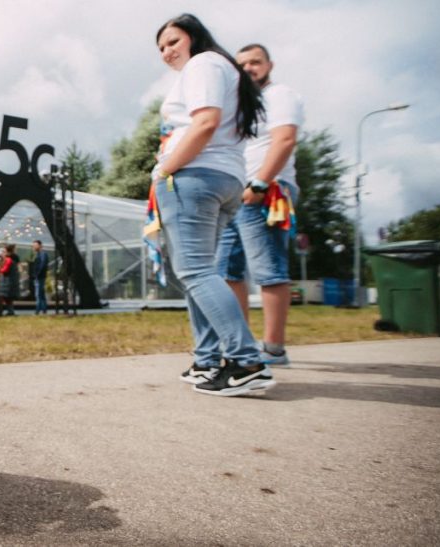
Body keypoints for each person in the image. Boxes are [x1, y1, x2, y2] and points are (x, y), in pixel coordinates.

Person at [150, 13, 275, 396]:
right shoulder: (225, 72)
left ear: (194, 37)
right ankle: (207, 360)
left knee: (195, 271)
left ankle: (246, 360)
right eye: (161, 48)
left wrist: (163, 169)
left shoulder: (204, 64)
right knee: (201, 273)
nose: (167, 52)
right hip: (224, 179)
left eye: (172, 41)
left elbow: (204, 124)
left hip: (195, 177)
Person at [216, 43, 304, 367]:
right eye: (243, 64)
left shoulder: (279, 95)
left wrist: (260, 183)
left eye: (256, 62)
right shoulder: (242, 105)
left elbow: (284, 139)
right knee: (226, 271)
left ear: (270, 64)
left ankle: (274, 349)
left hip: (267, 192)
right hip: (236, 195)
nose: (249, 68)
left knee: (268, 271)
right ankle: (243, 346)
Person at [0, 244, 19, 315]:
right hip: (11, 281)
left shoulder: (8, 260)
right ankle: (10, 311)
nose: (2, 253)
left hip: (7, 281)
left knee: (3, 297)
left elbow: (5, 270)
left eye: (3, 251)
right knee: (8, 299)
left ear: (7, 251)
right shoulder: (14, 258)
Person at [30, 240, 49, 314]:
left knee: (38, 294)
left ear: (40, 245)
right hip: (40, 276)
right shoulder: (39, 254)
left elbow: (42, 265)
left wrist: (37, 274)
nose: (33, 247)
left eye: (35, 245)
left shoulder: (42, 254)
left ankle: (37, 310)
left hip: (40, 277)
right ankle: (44, 310)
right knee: (41, 294)